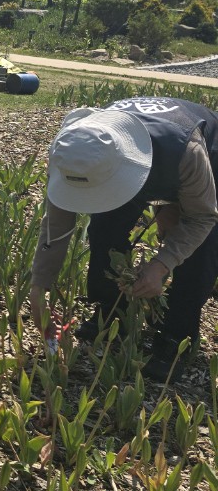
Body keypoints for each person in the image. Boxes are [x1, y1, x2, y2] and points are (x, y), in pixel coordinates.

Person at [29, 97, 218, 382]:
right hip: (136, 157)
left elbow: (202, 217)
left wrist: (161, 264)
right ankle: (113, 309)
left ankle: (177, 334)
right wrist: (38, 288)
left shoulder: (186, 151)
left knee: (202, 249)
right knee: (104, 227)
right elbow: (56, 225)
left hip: (203, 154)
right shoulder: (72, 151)